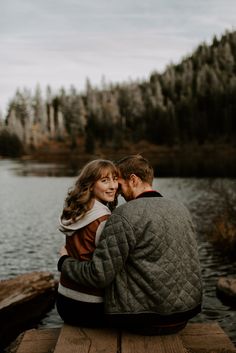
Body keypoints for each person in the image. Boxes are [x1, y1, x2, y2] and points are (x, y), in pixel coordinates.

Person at [58, 155, 202, 334]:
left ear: (133, 180)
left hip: (143, 320)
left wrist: (64, 262)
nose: (117, 190)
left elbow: (99, 275)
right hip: (183, 316)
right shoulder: (181, 209)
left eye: (118, 182)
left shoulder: (124, 215)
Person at [56, 159, 119, 327]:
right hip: (91, 307)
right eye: (105, 181)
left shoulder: (76, 213)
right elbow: (104, 273)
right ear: (91, 185)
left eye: (115, 179)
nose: (113, 186)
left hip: (64, 301)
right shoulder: (103, 221)